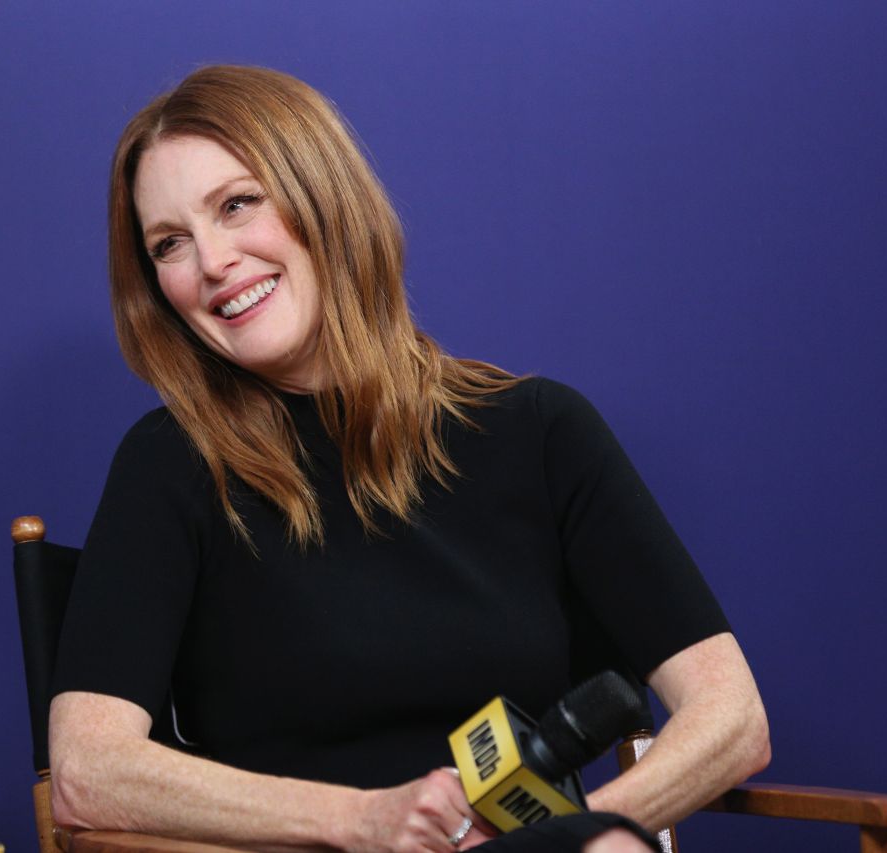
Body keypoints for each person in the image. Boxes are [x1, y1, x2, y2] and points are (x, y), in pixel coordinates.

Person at [48, 65, 770, 852]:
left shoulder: (539, 431)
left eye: (237, 204)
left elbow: (732, 718)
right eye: (170, 244)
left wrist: (599, 826)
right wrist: (358, 820)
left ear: (322, 195)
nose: (213, 261)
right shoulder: (171, 465)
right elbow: (89, 768)